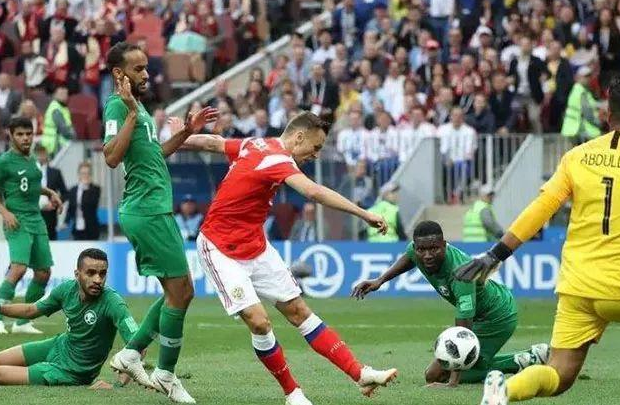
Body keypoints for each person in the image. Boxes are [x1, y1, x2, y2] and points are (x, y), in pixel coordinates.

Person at [456, 78, 620, 404]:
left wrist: (495, 255)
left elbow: (542, 207)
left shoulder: (577, 157)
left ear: (607, 115)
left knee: (559, 374)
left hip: (577, 288)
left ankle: (504, 390)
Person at [180, 111, 397, 405]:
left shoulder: (257, 144)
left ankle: (360, 374)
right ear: (299, 136)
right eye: (315, 147)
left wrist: (182, 135)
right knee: (259, 322)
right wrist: (364, 214)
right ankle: (292, 393)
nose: (316, 155)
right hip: (220, 248)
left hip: (256, 246)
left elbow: (213, 143)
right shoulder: (278, 159)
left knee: (298, 311)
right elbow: (314, 192)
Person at [101, 42, 218, 403]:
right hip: (145, 210)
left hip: (155, 208)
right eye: (138, 69)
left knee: (179, 291)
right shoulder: (118, 106)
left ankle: (131, 354)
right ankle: (165, 374)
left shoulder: (139, 108)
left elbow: (155, 153)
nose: (146, 74)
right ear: (119, 74)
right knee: (181, 291)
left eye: (146, 67)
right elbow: (110, 157)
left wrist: (186, 132)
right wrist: (130, 113)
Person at [352, 221, 549, 386]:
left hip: (497, 316)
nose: (427, 255)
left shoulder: (460, 275)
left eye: (433, 249)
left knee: (439, 376)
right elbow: (409, 257)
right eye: (421, 249)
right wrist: (380, 280)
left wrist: (452, 383)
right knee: (434, 374)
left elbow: (464, 329)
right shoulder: (415, 251)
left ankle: (525, 360)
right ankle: (527, 357)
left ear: (444, 245)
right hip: (481, 314)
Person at [0, 248, 139, 387]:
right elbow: (31, 310)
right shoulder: (66, 289)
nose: (97, 280)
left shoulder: (113, 303)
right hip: (58, 346)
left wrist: (118, 385)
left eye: (102, 274)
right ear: (77, 274)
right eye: (90, 273)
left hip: (72, 372)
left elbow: (138, 343)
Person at [0, 117, 63, 335]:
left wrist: (50, 192)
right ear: (10, 135)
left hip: (36, 219)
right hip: (16, 219)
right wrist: (5, 212)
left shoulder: (32, 159)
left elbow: (30, 185)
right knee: (18, 267)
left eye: (28, 134)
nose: (25, 138)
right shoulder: (5, 161)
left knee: (44, 272)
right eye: (20, 134)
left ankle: (22, 322)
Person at [561, 66, 601, 145]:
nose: (588, 79)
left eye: (589, 76)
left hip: (573, 130)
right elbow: (588, 113)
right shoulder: (581, 92)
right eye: (585, 76)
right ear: (578, 77)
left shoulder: (578, 89)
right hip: (578, 130)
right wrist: (599, 124)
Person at [35, 144, 67, 240]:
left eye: (42, 153)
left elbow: (65, 193)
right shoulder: (29, 172)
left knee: (50, 243)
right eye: (38, 154)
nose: (40, 156)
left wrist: (54, 204)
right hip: (33, 214)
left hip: (50, 216)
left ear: (47, 155)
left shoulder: (55, 173)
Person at [65, 162, 101, 240]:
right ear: (79, 175)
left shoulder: (95, 189)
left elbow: (91, 205)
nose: (85, 175)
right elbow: (70, 208)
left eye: (88, 173)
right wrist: (66, 221)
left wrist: (86, 189)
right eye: (83, 173)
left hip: (91, 229)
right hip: (77, 228)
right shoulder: (73, 190)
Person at [41, 86, 75, 156]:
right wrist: (73, 136)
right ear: (55, 95)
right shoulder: (56, 109)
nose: (64, 96)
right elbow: (63, 129)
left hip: (54, 143)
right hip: (55, 144)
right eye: (61, 94)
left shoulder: (61, 107)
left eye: (65, 94)